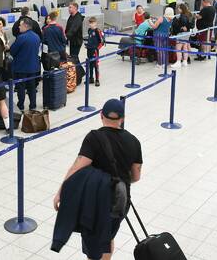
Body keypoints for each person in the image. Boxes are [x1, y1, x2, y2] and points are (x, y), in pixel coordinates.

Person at [53, 99, 142, 260]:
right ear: (122, 118)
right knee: (108, 237)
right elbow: (136, 177)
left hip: (96, 202)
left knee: (94, 246)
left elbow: (77, 167)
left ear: (101, 115)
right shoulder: (134, 142)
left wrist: (61, 191)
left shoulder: (94, 138)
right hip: (120, 201)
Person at [11, 18, 42, 112]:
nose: (19, 27)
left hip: (21, 67)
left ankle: (21, 105)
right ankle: (33, 105)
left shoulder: (21, 37)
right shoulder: (37, 36)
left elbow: (13, 51)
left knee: (21, 87)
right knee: (32, 87)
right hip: (33, 67)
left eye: (20, 25)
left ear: (25, 26)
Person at [85, 17, 104, 87]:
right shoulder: (89, 30)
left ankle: (97, 80)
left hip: (95, 51)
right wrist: (87, 45)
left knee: (96, 65)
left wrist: (97, 49)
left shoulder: (97, 31)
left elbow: (102, 42)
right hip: (89, 50)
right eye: (90, 23)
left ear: (95, 23)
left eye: (92, 23)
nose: (91, 24)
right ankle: (91, 78)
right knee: (90, 64)